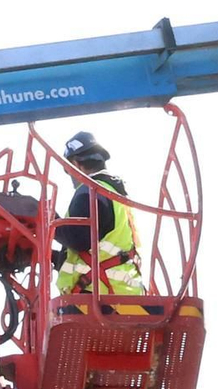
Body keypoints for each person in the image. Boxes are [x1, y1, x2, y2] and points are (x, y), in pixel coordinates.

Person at [54, 130, 150, 311]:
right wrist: (55, 258)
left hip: (99, 297)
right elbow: (100, 247)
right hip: (127, 294)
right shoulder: (115, 193)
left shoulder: (90, 191)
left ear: (75, 165)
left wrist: (49, 220)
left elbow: (79, 239)